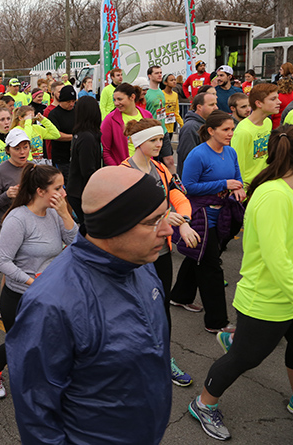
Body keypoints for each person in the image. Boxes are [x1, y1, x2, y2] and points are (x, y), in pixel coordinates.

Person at [6, 166, 172, 444]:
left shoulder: (142, 264)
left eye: (165, 216)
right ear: (113, 226)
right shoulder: (51, 303)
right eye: (152, 221)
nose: (167, 230)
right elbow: (37, 415)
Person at [187, 124, 293, 441]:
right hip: (267, 297)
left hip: (286, 294)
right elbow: (277, 259)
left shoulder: (286, 190)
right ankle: (203, 404)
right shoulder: (275, 195)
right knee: (246, 358)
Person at [0, 163, 77, 400]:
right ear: (40, 191)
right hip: (19, 297)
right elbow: (2, 262)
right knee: (21, 345)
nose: (64, 193)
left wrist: (66, 214)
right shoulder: (18, 219)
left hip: (49, 295)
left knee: (47, 342)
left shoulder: (55, 213)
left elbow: (77, 245)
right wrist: (31, 282)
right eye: (58, 188)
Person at [121, 118, 198, 387]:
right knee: (134, 308)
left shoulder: (161, 168)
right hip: (134, 254)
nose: (160, 144)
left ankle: (163, 357)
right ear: (139, 142)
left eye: (161, 139)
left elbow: (178, 196)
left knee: (161, 307)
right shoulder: (123, 172)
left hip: (161, 253)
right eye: (155, 140)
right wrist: (166, 217)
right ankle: (132, 360)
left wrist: (184, 220)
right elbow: (128, 215)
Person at [170, 111, 244, 334]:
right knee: (212, 268)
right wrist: (223, 184)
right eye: (225, 129)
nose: (230, 133)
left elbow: (237, 178)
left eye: (232, 129)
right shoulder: (197, 155)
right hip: (201, 216)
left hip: (224, 215)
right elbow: (188, 187)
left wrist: (238, 188)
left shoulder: (230, 152)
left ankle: (179, 296)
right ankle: (217, 321)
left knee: (198, 257)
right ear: (211, 131)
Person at [0, 129, 31, 259]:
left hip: (29, 229)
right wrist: (7, 195)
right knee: (8, 270)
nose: (22, 152)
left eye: (25, 147)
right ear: (8, 150)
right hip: (6, 229)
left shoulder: (32, 168)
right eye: (17, 148)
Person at [231, 83, 280, 189]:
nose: (279, 102)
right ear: (259, 103)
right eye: (273, 99)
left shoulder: (267, 122)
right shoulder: (243, 131)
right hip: (248, 187)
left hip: (264, 181)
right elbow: (237, 163)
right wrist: (241, 189)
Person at [67, 96, 102, 233]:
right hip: (82, 191)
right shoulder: (87, 137)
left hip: (77, 189)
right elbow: (87, 170)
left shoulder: (82, 134)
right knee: (89, 229)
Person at [101, 83, 152, 166]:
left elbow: (151, 145)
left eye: (120, 99)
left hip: (145, 169)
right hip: (122, 171)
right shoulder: (110, 119)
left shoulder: (147, 116)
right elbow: (106, 151)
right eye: (114, 100)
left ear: (132, 97)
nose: (116, 103)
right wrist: (119, 169)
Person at [177, 91, 219, 179]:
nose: (216, 108)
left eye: (215, 104)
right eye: (211, 105)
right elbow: (187, 158)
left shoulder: (207, 124)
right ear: (199, 107)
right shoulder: (191, 127)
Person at [47, 86, 75, 177]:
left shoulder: (77, 110)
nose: (71, 104)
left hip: (75, 156)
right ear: (61, 101)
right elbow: (56, 135)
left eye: (73, 101)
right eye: (68, 102)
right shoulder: (54, 114)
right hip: (61, 157)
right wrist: (74, 137)